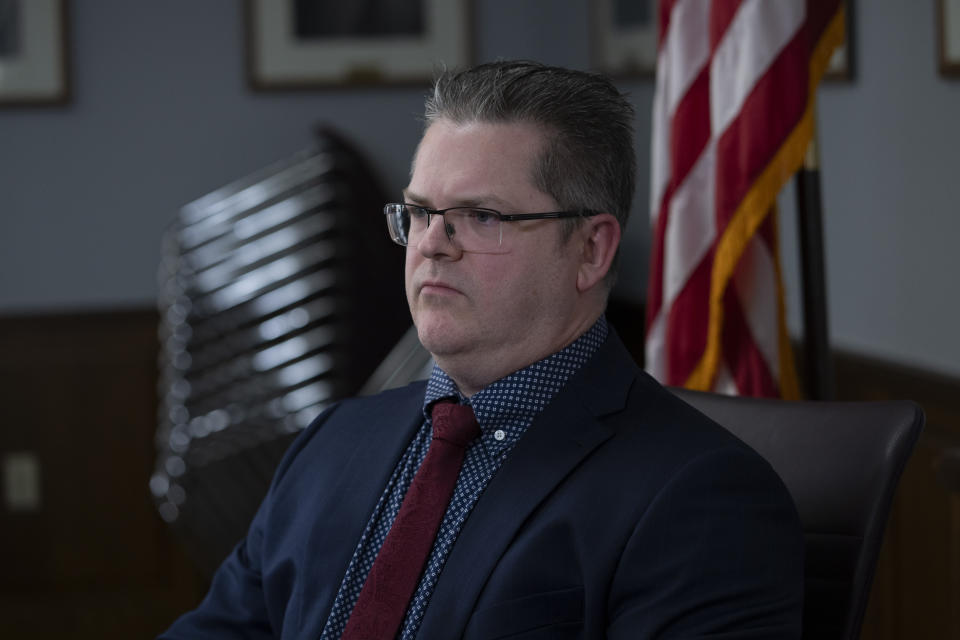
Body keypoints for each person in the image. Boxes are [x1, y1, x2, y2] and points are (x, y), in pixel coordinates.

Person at [160, 60, 803, 639]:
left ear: (591, 250)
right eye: (418, 213)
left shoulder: (700, 496)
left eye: (483, 217)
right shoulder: (334, 440)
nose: (432, 244)